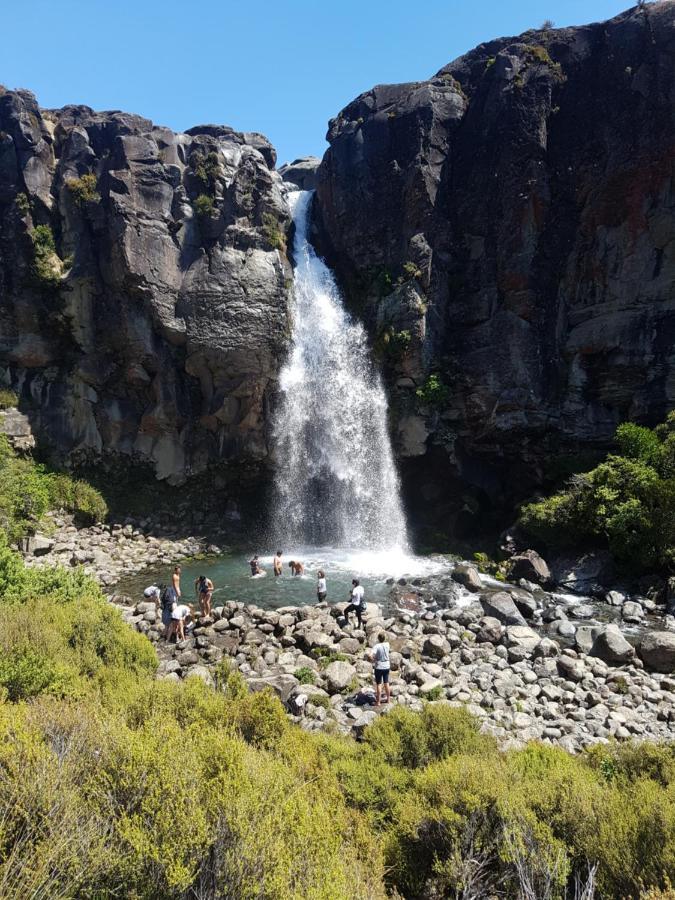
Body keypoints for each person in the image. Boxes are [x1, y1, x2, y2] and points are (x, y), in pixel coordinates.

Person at [370, 631, 391, 707]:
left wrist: (373, 660)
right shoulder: (387, 644)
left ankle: (378, 702)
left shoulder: (376, 646)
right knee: (386, 683)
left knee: (379, 684)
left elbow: (370, 655)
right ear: (384, 638)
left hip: (379, 666)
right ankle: (388, 699)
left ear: (378, 639)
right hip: (387, 666)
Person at [161, 566, 181, 639]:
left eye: (180, 569)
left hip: (175, 590)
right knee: (174, 602)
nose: (180, 571)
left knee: (175, 602)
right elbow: (175, 585)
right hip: (175, 590)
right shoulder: (175, 576)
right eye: (179, 570)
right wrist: (178, 592)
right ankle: (173, 617)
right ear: (176, 570)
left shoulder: (177, 575)